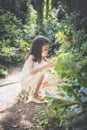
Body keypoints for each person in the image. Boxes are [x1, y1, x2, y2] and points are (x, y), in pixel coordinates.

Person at [18, 35, 58, 103]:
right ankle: (35, 95)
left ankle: (37, 92)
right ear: (38, 48)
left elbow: (53, 68)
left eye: (47, 49)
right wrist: (44, 66)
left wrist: (57, 73)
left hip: (34, 81)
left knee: (53, 78)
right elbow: (31, 72)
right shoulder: (32, 57)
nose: (47, 51)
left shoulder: (43, 58)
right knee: (41, 73)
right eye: (45, 49)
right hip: (27, 80)